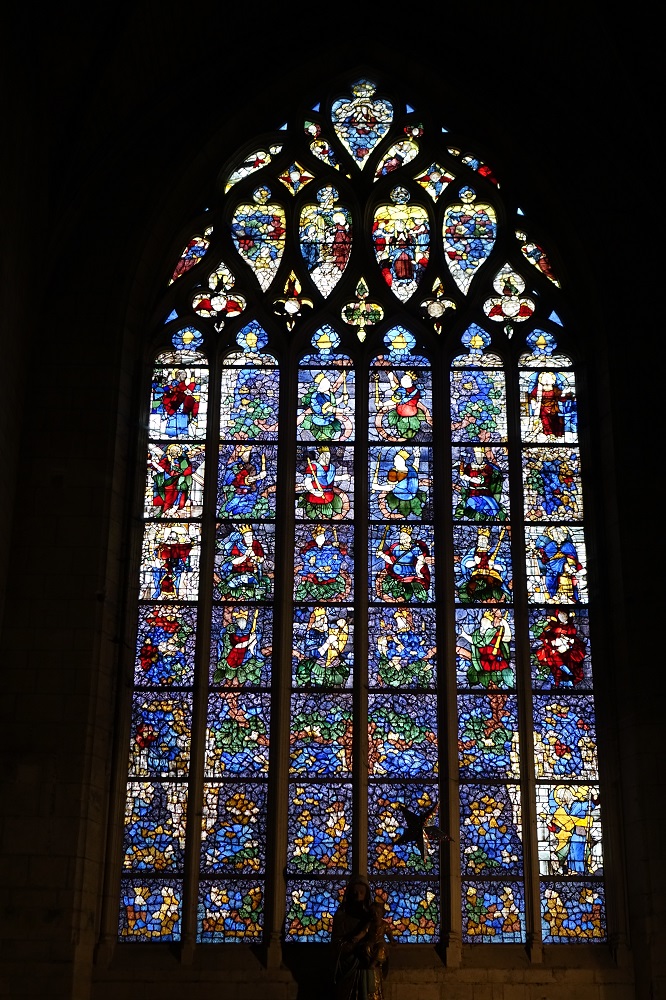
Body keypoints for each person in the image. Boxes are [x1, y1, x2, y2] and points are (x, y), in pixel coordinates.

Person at [331, 875, 394, 1000]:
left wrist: (376, 950)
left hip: (368, 965)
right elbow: (336, 944)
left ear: (366, 895)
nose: (357, 896)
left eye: (361, 892)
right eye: (354, 892)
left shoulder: (371, 916)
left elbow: (380, 939)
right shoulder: (341, 916)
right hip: (349, 967)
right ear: (348, 894)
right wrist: (354, 947)